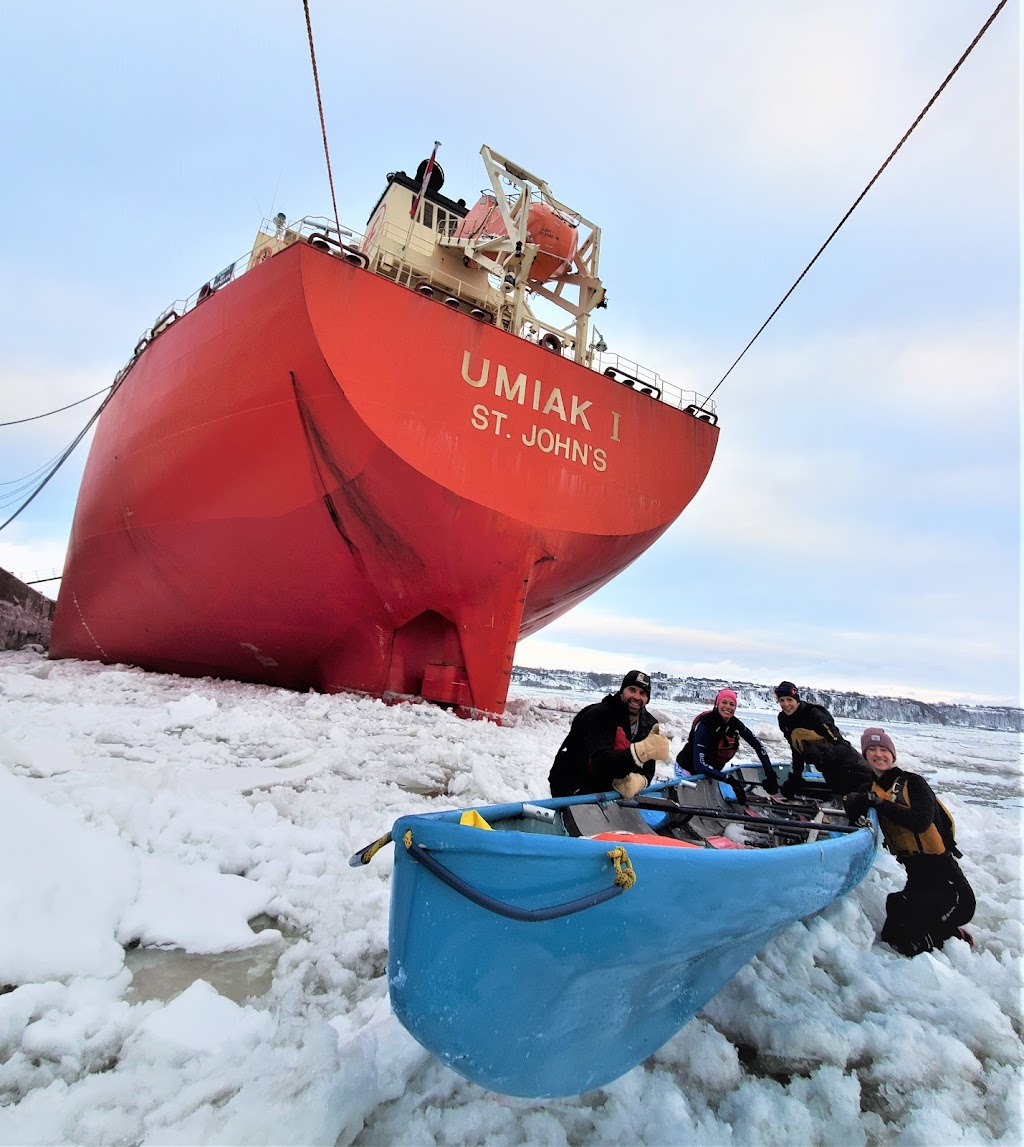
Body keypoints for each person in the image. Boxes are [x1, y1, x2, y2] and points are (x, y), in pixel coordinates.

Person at [844, 727, 975, 957]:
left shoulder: (914, 783)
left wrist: (879, 803)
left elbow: (921, 822)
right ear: (865, 755)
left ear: (893, 755)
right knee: (892, 931)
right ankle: (938, 925)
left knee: (911, 942)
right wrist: (856, 801)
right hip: (918, 878)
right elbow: (855, 812)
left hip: (950, 886)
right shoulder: (871, 789)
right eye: (872, 749)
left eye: (884, 749)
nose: (878, 754)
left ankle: (954, 936)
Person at [549, 670, 670, 799]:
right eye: (632, 690)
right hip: (574, 784)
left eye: (642, 693)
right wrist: (639, 752)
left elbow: (647, 771)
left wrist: (638, 782)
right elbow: (601, 764)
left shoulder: (649, 725)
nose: (636, 697)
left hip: (611, 788)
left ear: (647, 699)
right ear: (622, 691)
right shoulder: (600, 715)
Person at [675, 688, 779, 804]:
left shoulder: (734, 723)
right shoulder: (705, 724)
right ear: (717, 704)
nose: (728, 707)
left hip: (709, 770)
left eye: (732, 704)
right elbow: (699, 765)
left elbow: (758, 746)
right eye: (724, 702)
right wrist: (730, 781)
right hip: (687, 769)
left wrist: (770, 774)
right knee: (691, 802)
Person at [773, 681, 872, 798]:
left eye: (789, 700)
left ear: (797, 700)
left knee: (850, 792)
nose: (786, 704)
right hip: (826, 766)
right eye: (782, 700)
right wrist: (796, 776)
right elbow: (796, 750)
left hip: (849, 764)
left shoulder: (814, 714)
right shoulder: (784, 720)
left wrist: (823, 755)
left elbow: (839, 743)